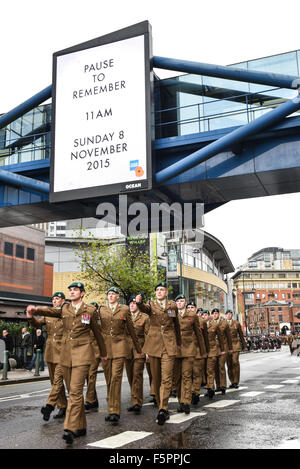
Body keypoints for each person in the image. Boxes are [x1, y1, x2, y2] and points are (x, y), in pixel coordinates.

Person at [26, 281, 107, 445]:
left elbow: (98, 334)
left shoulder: (90, 310)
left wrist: (103, 354)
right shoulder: (65, 309)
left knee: (75, 392)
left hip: (83, 354)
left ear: (82, 293)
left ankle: (69, 428)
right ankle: (82, 426)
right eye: (70, 290)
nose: (72, 292)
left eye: (75, 290)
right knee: (72, 391)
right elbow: (50, 311)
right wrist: (35, 311)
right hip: (66, 355)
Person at [136, 282, 181, 425]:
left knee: (166, 378)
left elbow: (176, 325)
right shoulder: (151, 305)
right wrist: (139, 302)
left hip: (168, 345)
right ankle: (159, 401)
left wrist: (178, 343)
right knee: (156, 378)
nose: (159, 292)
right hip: (154, 345)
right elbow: (144, 309)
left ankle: (163, 409)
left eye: (162, 290)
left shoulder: (172, 306)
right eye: (157, 290)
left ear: (166, 292)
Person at [99, 287, 142, 424]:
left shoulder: (124, 309)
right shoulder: (101, 310)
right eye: (109, 294)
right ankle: (112, 407)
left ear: (117, 296)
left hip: (119, 347)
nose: (111, 296)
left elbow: (131, 329)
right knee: (109, 380)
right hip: (105, 348)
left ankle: (114, 411)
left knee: (116, 377)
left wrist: (139, 348)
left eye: (113, 294)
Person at [28, 291, 68, 420]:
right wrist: (30, 316)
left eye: (57, 299)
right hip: (50, 351)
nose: (54, 301)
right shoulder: (48, 315)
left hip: (63, 350)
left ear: (63, 300)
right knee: (54, 382)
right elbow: (37, 324)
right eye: (53, 299)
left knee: (58, 380)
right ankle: (63, 406)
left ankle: (49, 405)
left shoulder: (67, 312)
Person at [174, 297, 206, 415]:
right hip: (175, 350)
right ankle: (181, 402)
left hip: (189, 349)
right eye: (177, 301)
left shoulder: (192, 316)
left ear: (185, 303)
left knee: (187, 375)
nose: (179, 303)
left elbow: (199, 334)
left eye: (181, 301)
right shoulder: (171, 313)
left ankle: (186, 401)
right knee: (177, 378)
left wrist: (203, 350)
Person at [125, 296, 150, 413]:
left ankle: (137, 403)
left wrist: (147, 351)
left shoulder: (144, 317)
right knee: (130, 376)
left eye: (134, 303)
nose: (132, 305)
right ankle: (134, 398)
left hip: (139, 349)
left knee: (137, 375)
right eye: (130, 303)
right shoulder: (125, 316)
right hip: (127, 349)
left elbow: (148, 335)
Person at [211, 308, 233, 395]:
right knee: (215, 367)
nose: (215, 315)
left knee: (221, 366)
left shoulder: (224, 323)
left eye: (216, 313)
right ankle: (218, 385)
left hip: (223, 347)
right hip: (214, 348)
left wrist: (230, 348)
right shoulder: (210, 323)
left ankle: (223, 385)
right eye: (213, 314)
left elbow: (229, 337)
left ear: (218, 314)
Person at [84, 302, 101, 412]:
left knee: (91, 375)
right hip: (85, 351)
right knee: (87, 376)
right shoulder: (85, 317)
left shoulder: (100, 319)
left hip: (95, 351)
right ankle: (94, 401)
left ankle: (89, 400)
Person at [205, 310, 225, 398]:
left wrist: (223, 349)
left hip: (213, 350)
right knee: (204, 371)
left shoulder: (216, 324)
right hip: (201, 351)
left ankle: (213, 387)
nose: (204, 316)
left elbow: (221, 337)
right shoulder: (199, 324)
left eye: (206, 315)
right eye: (203, 315)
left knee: (213, 369)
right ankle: (209, 386)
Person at [191, 309, 210, 405]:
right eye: (188, 307)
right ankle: (189, 393)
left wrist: (206, 351)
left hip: (198, 351)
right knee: (186, 375)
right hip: (186, 351)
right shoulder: (183, 319)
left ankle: (196, 392)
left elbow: (205, 338)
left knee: (197, 373)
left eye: (192, 308)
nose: (190, 309)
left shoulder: (202, 322)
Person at [225, 309, 247, 389]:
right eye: (227, 314)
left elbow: (241, 335)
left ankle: (236, 381)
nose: (229, 315)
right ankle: (232, 381)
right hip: (227, 346)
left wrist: (244, 345)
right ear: (226, 315)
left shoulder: (236, 323)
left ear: (232, 315)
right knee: (229, 364)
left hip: (235, 345)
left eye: (230, 314)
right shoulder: (223, 323)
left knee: (235, 362)